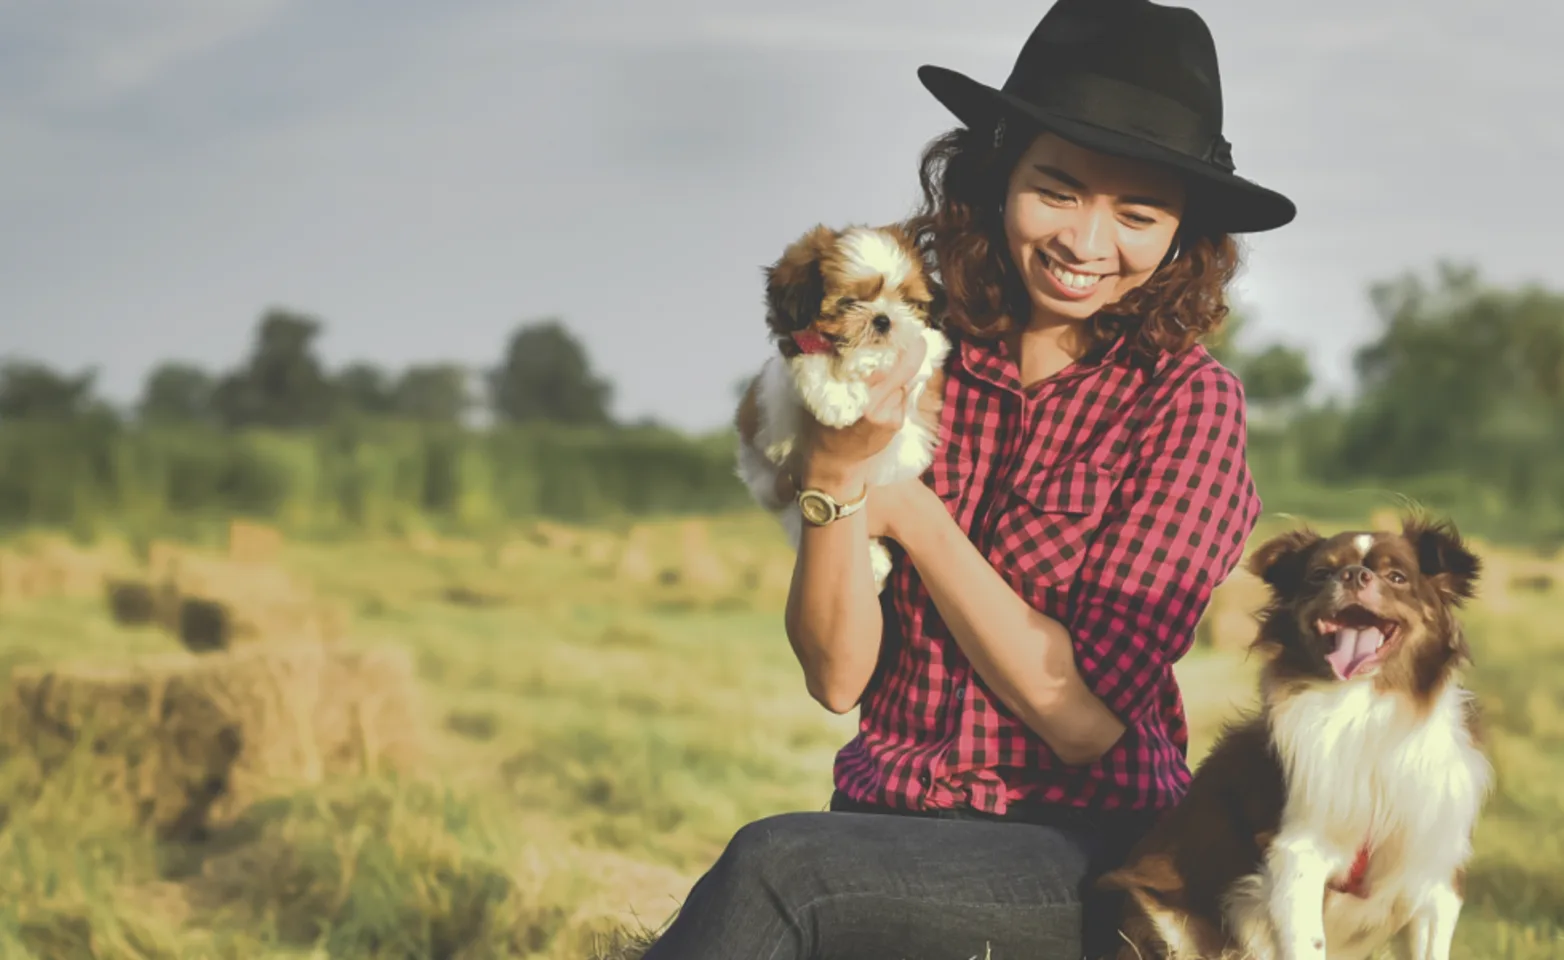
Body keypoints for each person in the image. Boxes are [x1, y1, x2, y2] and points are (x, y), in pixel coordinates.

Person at [640, 1, 1296, 957]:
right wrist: (833, 480)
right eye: (1058, 190)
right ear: (998, 176)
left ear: (1181, 233)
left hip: (1082, 852)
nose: (1087, 241)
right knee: (793, 866)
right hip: (878, 819)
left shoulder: (1187, 407)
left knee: (776, 871)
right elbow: (836, 677)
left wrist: (904, 506)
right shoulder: (915, 353)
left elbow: (1081, 723)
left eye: (1137, 214)